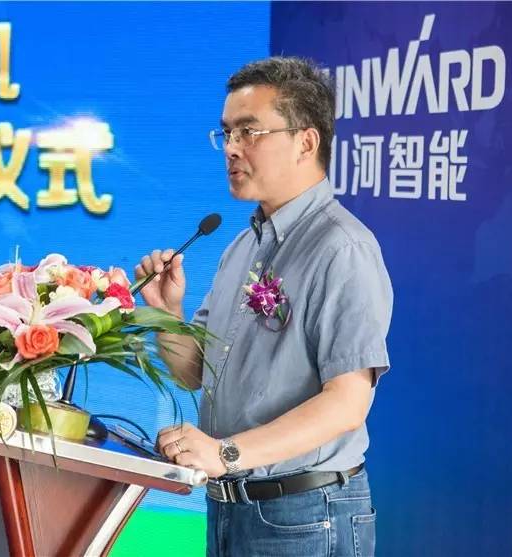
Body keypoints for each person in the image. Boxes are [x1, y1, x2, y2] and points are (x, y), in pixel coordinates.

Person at [135, 57, 392, 557]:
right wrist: (166, 315)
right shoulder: (242, 246)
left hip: (304, 514)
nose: (232, 148)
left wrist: (226, 453)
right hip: (232, 506)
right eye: (227, 133)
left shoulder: (342, 249)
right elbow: (194, 373)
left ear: (306, 142)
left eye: (249, 132)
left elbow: (347, 402)